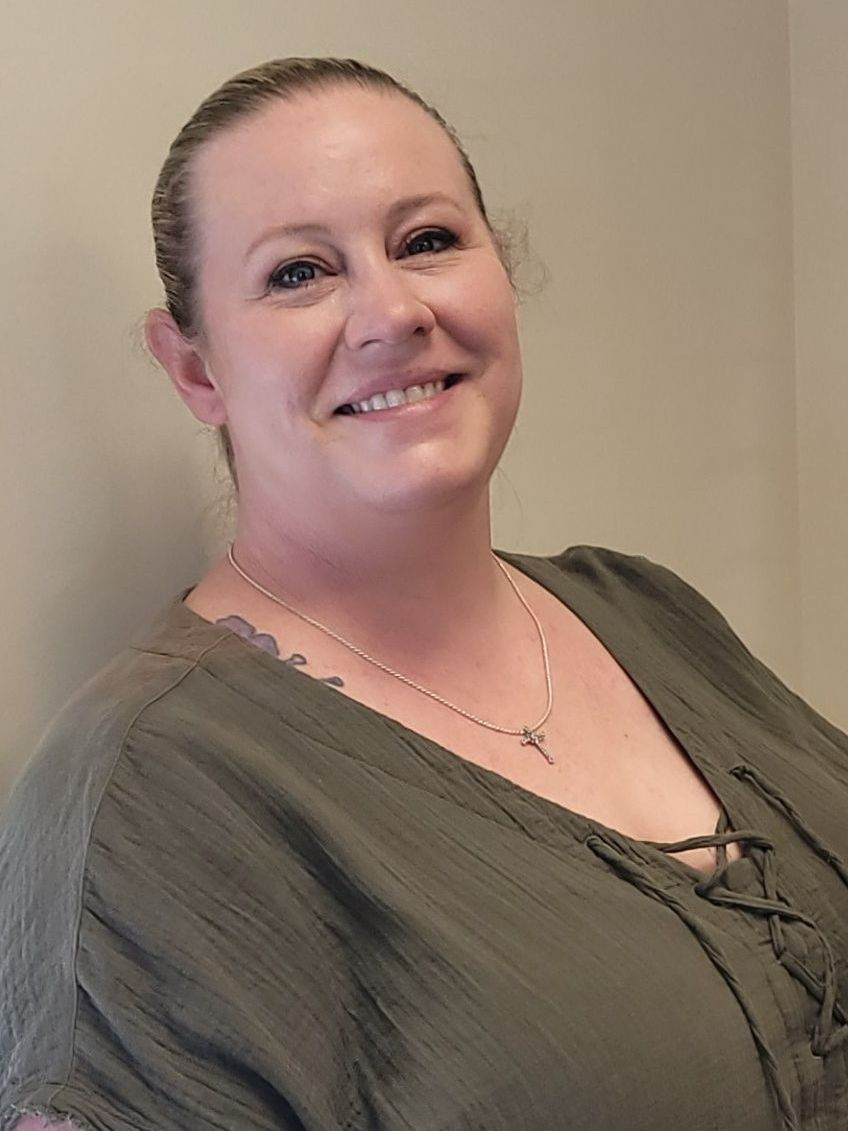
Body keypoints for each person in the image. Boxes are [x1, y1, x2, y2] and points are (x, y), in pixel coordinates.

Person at [2, 56, 848, 1131]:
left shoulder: (645, 608)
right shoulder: (145, 812)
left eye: (427, 241)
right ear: (196, 371)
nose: (390, 311)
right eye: (299, 273)